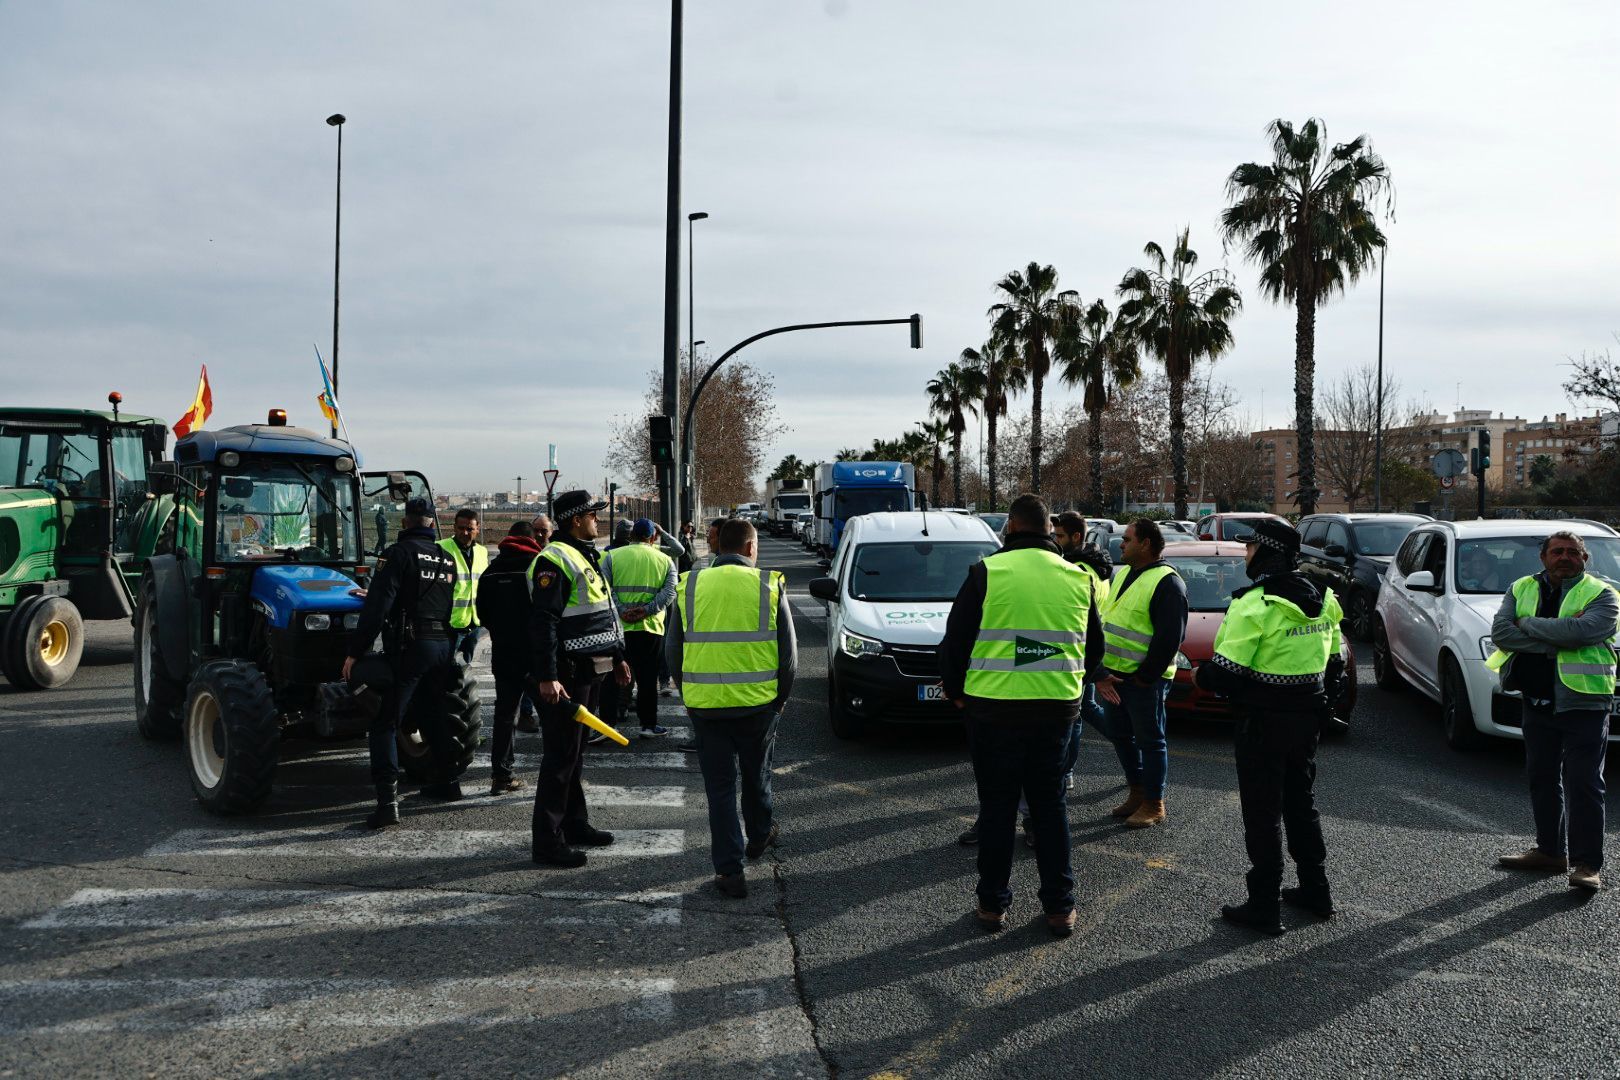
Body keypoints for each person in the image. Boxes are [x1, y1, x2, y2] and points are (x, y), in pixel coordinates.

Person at [939, 494, 1104, 937]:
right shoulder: (1077, 578)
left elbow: (954, 643)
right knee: (1050, 808)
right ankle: (1059, 907)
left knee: (997, 808)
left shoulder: (987, 573)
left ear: (1010, 527)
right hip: (1056, 711)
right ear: (1050, 531)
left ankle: (992, 906)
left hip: (992, 711)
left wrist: (957, 693)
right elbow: (1095, 651)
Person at [1195, 518, 1346, 934]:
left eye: (1248, 548)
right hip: (1306, 721)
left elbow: (1226, 673)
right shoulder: (1324, 596)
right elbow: (1337, 662)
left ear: (1264, 551)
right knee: (1301, 803)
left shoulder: (1255, 604)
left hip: (1261, 724)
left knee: (1263, 814)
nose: (1244, 555)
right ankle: (1316, 891)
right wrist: (1321, 705)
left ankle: (1264, 905)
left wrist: (1198, 677)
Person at [666, 517, 796, 899]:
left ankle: (729, 871)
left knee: (720, 789)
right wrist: (780, 701)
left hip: (707, 709)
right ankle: (758, 837)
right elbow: (788, 656)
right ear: (751, 548)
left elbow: (672, 651)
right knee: (757, 776)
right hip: (758, 706)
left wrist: (690, 695)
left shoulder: (690, 583)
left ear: (719, 547)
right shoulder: (768, 583)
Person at [1487, 531, 1618, 892]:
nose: (1565, 557)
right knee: (1542, 778)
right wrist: (1555, 641)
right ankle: (1550, 852)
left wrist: (1527, 625)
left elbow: (1585, 630)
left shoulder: (1602, 593)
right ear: (1544, 557)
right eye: (1557, 551)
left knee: (1584, 783)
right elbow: (1502, 633)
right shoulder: (1520, 588)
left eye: (1572, 552)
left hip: (1584, 703)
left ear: (1584, 559)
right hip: (1536, 701)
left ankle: (1587, 864)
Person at [343, 497, 466, 827]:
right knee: (435, 714)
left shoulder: (396, 554)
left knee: (385, 721)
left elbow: (378, 609)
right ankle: (448, 784)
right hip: (443, 645)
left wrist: (356, 652)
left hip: (413, 646)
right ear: (431, 523)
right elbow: (427, 596)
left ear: (405, 522)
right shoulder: (446, 557)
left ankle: (386, 804)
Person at [528, 489, 632, 868]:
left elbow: (604, 613)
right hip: (566, 676)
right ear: (576, 519)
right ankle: (548, 843)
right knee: (559, 759)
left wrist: (618, 657)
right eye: (592, 515)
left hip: (590, 669)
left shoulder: (585, 556)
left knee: (574, 756)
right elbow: (544, 623)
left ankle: (575, 824)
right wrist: (547, 677)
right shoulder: (554, 560)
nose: (597, 520)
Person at [1093, 518, 1188, 829]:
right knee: (1120, 736)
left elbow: (1169, 637)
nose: (1122, 544)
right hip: (1114, 677)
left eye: (1128, 539)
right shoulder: (1123, 575)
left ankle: (1153, 802)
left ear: (1146, 543)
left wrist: (1146, 677)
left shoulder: (1167, 582)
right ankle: (1137, 792)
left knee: (1150, 740)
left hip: (1143, 681)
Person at [475, 520, 546, 794]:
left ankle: (501, 776)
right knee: (550, 716)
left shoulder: (491, 571)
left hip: (503, 653)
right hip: (534, 654)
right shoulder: (537, 565)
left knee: (505, 716)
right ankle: (557, 775)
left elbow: (483, 615)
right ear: (532, 539)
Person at [602, 518, 678, 739]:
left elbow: (604, 588)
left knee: (613, 678)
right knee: (647, 679)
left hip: (617, 627)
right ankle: (648, 725)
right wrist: (646, 610)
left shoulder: (612, 557)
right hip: (650, 627)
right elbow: (669, 592)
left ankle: (608, 725)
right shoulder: (664, 559)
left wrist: (622, 610)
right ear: (653, 537)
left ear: (631, 535)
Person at [438, 508, 488, 665]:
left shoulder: (482, 552)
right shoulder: (440, 548)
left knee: (464, 667)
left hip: (474, 624)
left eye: (470, 529)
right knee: (444, 667)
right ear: (454, 527)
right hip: (449, 623)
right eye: (461, 528)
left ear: (477, 528)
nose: (465, 532)